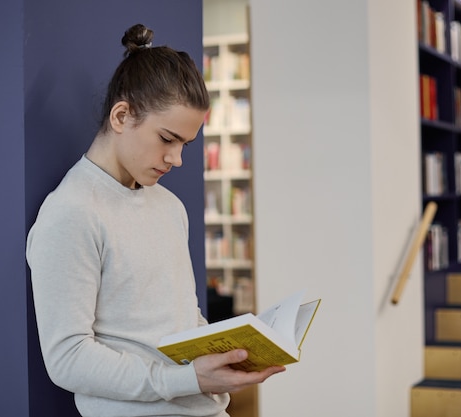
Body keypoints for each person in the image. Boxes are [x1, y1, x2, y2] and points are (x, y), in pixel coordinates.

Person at [26, 23, 285, 417]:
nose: (176, 159)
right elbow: (67, 358)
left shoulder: (169, 207)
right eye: (167, 139)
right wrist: (186, 380)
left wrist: (229, 351)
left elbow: (181, 318)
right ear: (121, 115)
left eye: (185, 144)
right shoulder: (71, 213)